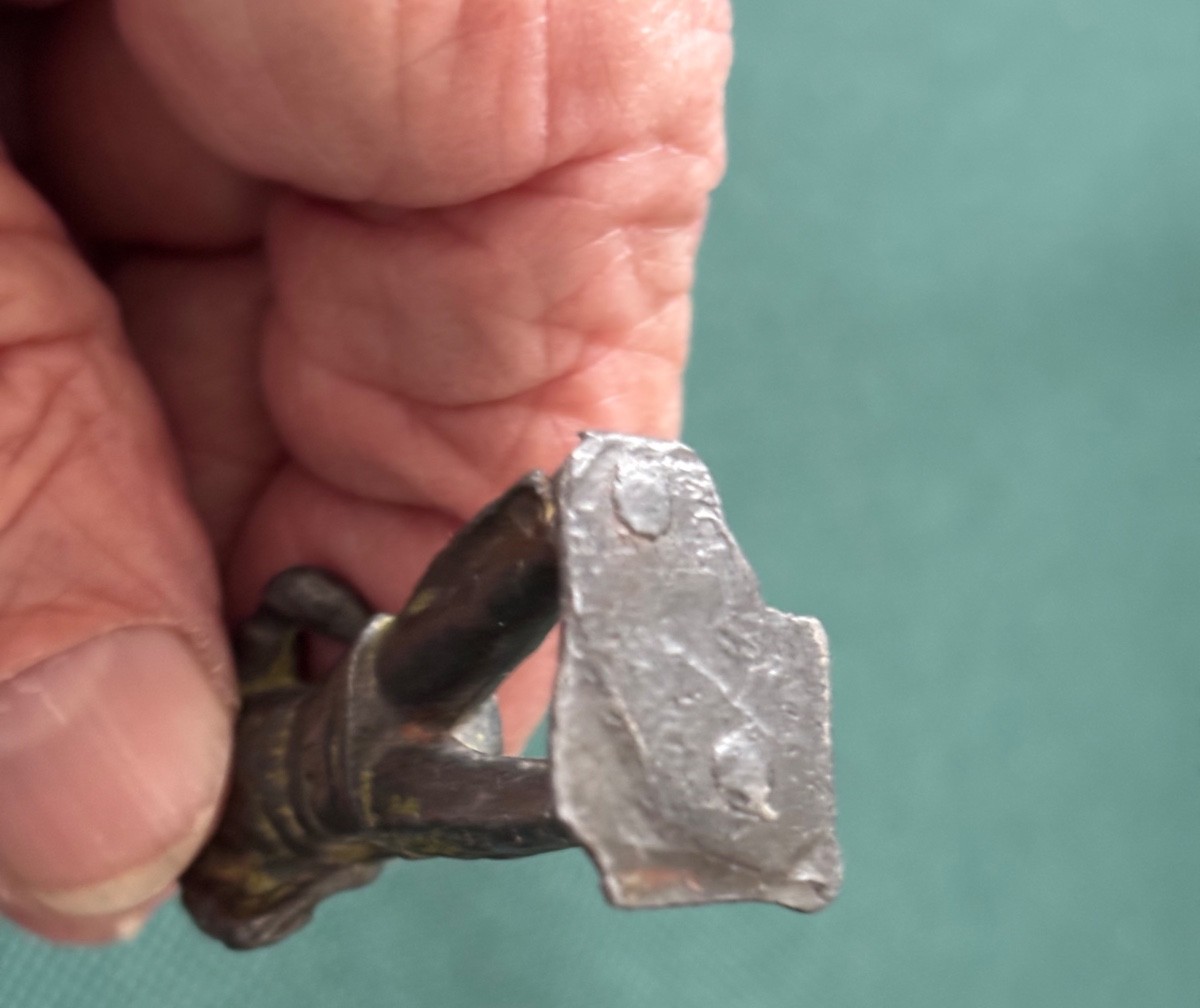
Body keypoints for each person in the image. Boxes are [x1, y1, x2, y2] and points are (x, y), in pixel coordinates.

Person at [0, 0, 730, 943]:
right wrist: (328, 638)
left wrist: (335, 636)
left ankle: (572, 545)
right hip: (359, 747)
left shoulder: (313, 825)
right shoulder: (323, 829)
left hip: (358, 734)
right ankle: (576, 559)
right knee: (497, 745)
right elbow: (299, 602)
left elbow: (298, 598)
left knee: (488, 717)